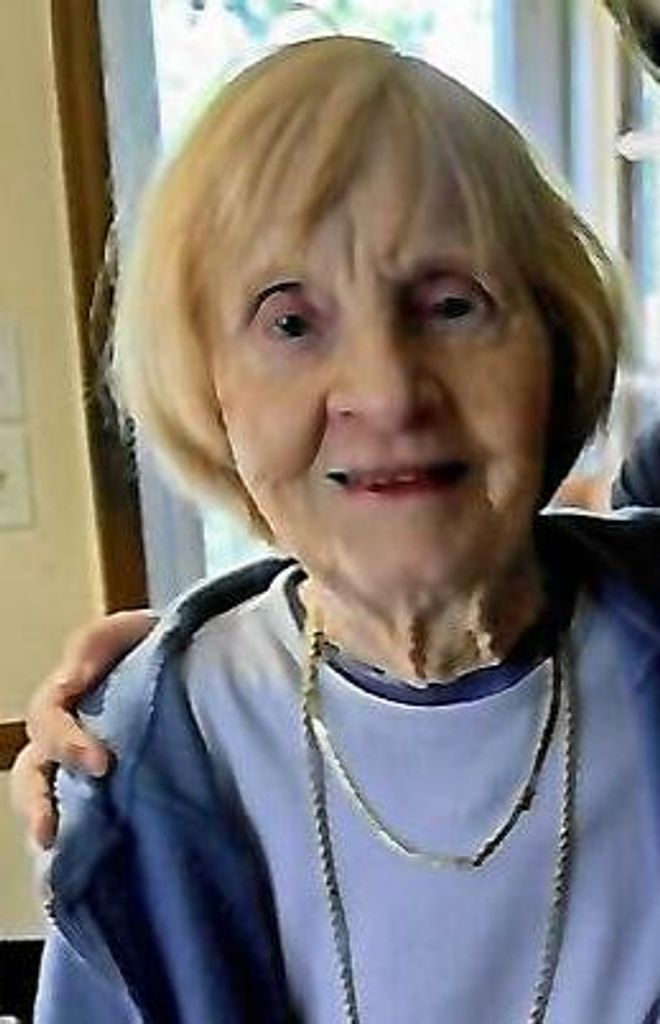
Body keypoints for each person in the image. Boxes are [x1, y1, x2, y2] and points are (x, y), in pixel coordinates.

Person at [13, 33, 660, 1024]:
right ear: (208, 387)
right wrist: (159, 693)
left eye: (453, 305)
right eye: (291, 322)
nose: (387, 391)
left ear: (557, 340)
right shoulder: (143, 773)